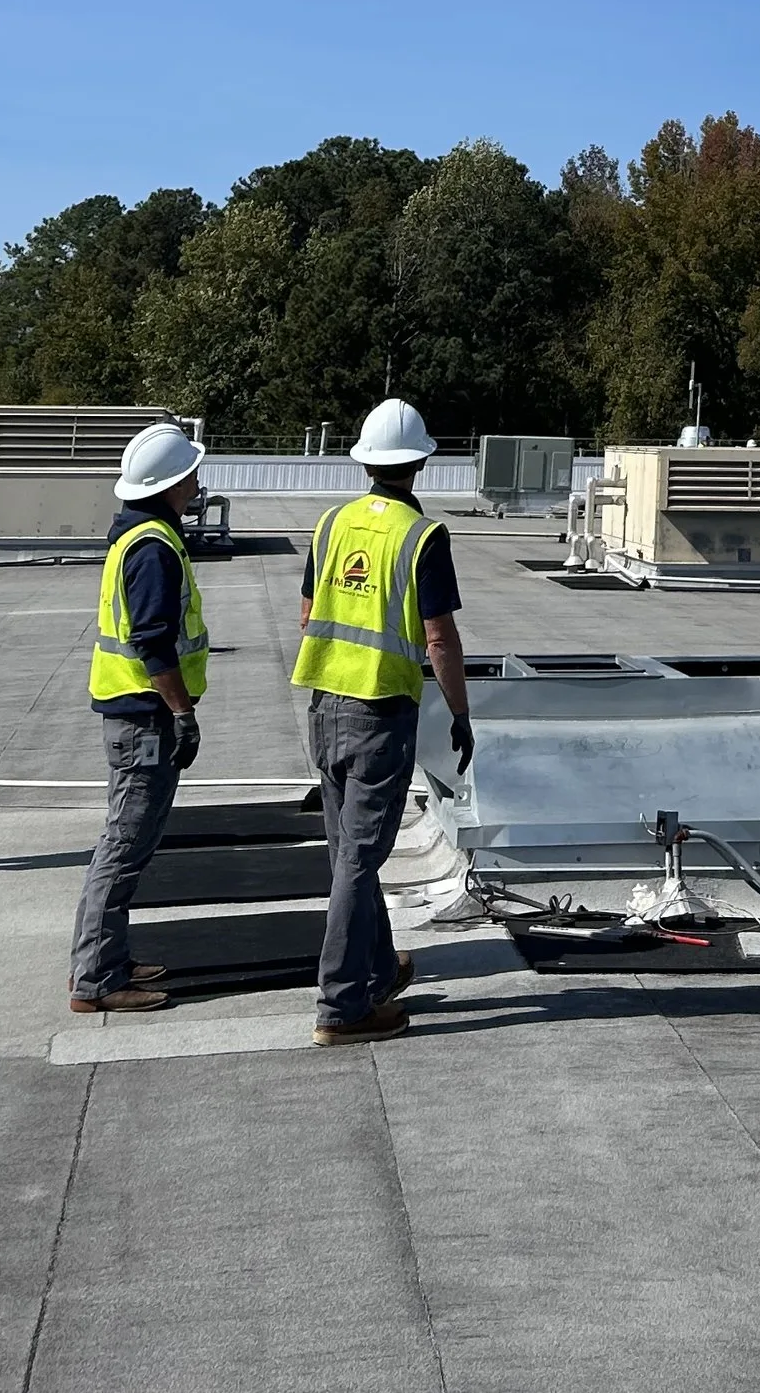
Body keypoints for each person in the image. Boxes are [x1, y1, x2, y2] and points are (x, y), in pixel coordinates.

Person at [291, 398, 472, 1048]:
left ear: (365, 458)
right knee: (360, 863)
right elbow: (440, 637)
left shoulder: (331, 523)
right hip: (380, 712)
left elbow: (309, 612)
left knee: (347, 851)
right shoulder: (422, 535)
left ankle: (375, 964)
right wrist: (458, 711)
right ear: (420, 460)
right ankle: (341, 1005)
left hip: (325, 705)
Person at [68, 420, 210, 1017]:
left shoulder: (138, 536)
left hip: (134, 715)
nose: (198, 482)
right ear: (170, 483)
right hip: (144, 719)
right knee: (124, 845)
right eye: (190, 474)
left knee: (131, 842)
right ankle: (96, 976)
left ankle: (111, 958)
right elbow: (154, 643)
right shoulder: (151, 548)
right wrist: (182, 714)